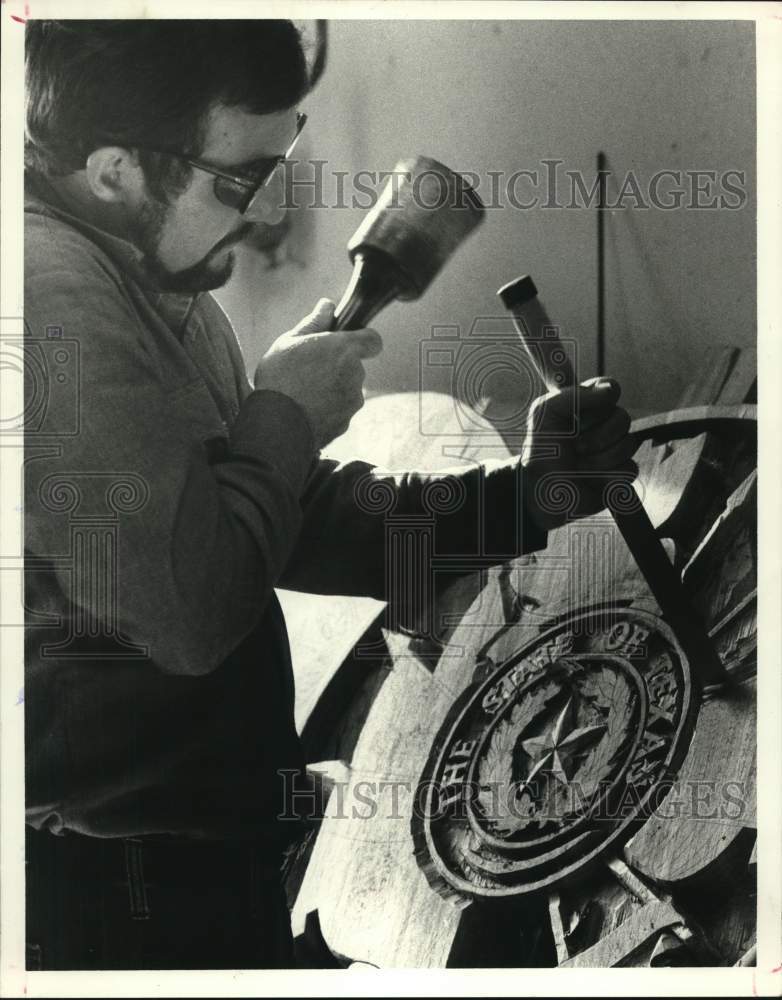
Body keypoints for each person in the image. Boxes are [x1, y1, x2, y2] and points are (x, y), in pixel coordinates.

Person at [22, 19, 637, 970]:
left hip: (202, 849)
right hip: (114, 894)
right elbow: (191, 617)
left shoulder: (148, 277)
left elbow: (277, 522)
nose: (267, 213)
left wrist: (529, 495)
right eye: (242, 179)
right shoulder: (46, 297)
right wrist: (283, 412)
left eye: (278, 167)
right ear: (113, 170)